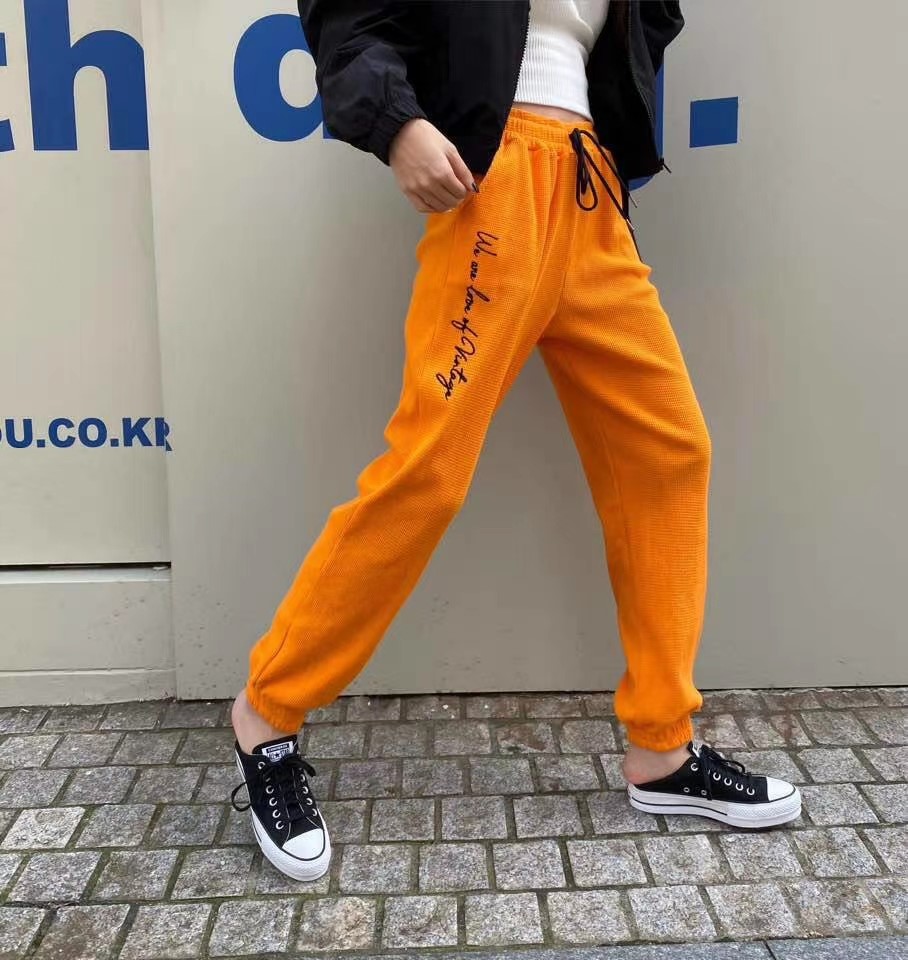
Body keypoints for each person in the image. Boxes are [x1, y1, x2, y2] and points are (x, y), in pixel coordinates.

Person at [229, 0, 801, 882]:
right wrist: (398, 123)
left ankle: (661, 746)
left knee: (668, 451)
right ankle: (266, 714)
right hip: (494, 182)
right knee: (430, 470)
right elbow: (352, 17)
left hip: (590, 184)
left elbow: (642, 29)